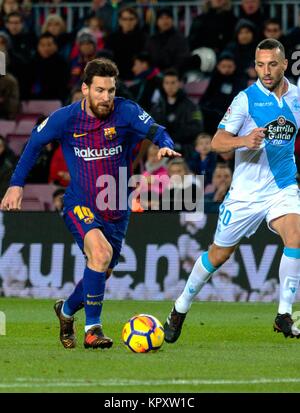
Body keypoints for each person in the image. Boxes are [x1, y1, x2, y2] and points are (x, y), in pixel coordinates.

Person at [0, 58, 180, 350]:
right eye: (99, 90)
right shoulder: (65, 118)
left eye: (110, 90)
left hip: (116, 210)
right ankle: (92, 329)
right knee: (100, 252)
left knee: (100, 267)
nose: (106, 97)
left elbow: (156, 130)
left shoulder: (127, 111)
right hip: (80, 203)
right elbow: (34, 143)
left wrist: (165, 143)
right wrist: (16, 184)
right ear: (85, 89)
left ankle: (67, 310)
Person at [163, 38, 300, 343]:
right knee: (218, 255)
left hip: (283, 187)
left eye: (272, 64)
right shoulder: (245, 100)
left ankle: (283, 313)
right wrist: (243, 141)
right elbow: (217, 141)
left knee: (296, 235)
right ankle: (181, 306)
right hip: (244, 195)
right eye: (260, 64)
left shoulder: (297, 98)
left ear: (285, 65)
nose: (265, 71)